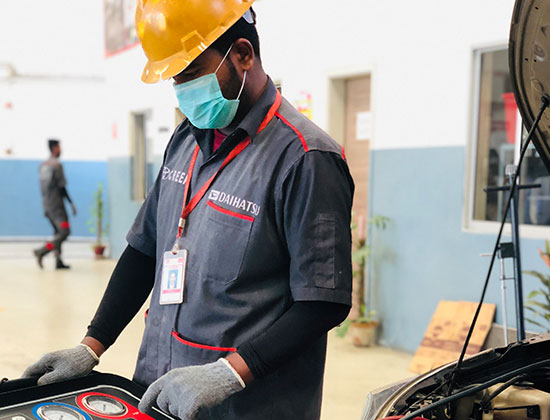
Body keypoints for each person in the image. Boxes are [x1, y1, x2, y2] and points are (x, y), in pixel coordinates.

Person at [23, 2, 354, 419]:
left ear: (243, 54)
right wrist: (92, 345)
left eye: (192, 72)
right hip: (158, 393)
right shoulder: (186, 140)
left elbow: (323, 302)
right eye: (175, 78)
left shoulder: (306, 158)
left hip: (246, 406)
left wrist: (230, 373)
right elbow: (144, 251)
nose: (183, 88)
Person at [33, 139, 77, 269]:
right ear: (54, 148)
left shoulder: (43, 166)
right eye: (59, 147)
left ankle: (58, 261)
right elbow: (62, 187)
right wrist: (71, 203)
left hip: (47, 205)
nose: (60, 150)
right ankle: (42, 251)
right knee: (64, 231)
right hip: (57, 207)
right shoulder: (56, 165)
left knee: (57, 232)